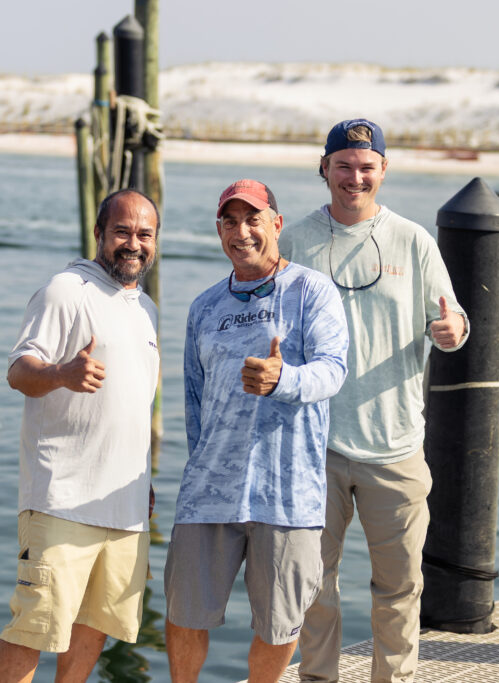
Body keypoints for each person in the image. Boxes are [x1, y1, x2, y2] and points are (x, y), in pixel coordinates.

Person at [279, 119, 469, 683]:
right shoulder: (295, 242)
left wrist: (453, 329)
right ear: (324, 168)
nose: (354, 177)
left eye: (366, 166)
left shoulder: (414, 241)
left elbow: (452, 316)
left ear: (383, 170)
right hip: (316, 448)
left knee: (400, 586)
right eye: (344, 165)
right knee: (312, 582)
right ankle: (318, 677)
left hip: (397, 448)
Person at [164, 179, 349, 683]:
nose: (241, 231)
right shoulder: (204, 307)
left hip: (287, 495)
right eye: (229, 220)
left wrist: (283, 379)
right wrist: (200, 465)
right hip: (208, 495)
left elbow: (334, 371)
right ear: (219, 229)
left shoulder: (312, 290)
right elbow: (193, 401)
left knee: (279, 624)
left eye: (253, 219)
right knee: (183, 616)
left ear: (276, 224)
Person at [0, 189, 160, 683]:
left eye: (145, 234)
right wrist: (63, 373)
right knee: (34, 628)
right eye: (122, 232)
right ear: (99, 234)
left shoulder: (145, 307)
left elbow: (133, 403)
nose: (134, 244)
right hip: (61, 500)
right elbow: (19, 371)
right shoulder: (65, 290)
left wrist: (141, 478)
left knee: (95, 627)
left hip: (125, 506)